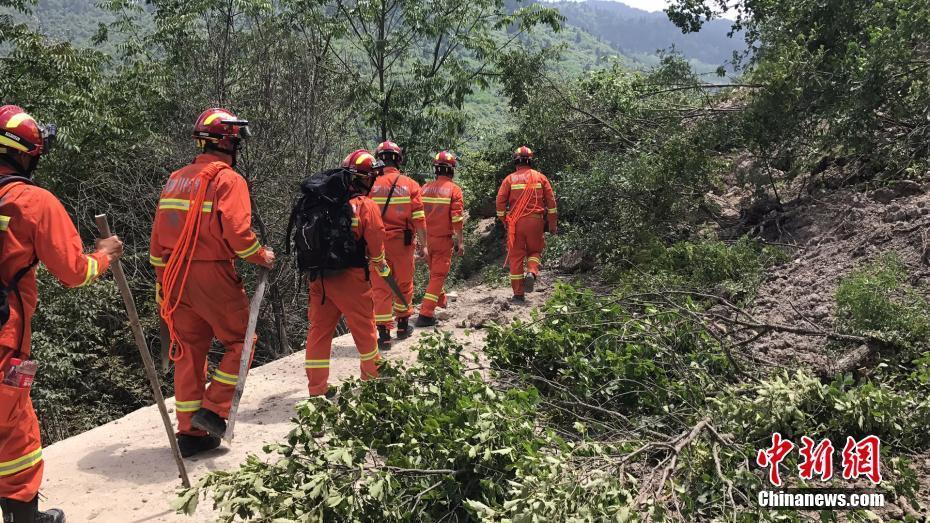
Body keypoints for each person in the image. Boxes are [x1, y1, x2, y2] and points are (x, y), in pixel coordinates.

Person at [0, 105, 123, 523]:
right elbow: (74, 271)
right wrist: (103, 256)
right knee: (16, 434)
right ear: (27, 154)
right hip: (4, 339)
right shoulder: (31, 202)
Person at [149, 108, 274, 457]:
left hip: (174, 275)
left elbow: (158, 236)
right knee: (241, 341)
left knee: (188, 352)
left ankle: (190, 434)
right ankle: (213, 411)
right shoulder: (227, 180)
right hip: (211, 273)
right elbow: (238, 234)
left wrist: (163, 282)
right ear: (229, 141)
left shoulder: (176, 178)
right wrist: (260, 256)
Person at [304, 149, 390, 397]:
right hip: (350, 278)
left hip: (319, 277)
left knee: (319, 333)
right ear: (364, 178)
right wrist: (381, 265)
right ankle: (372, 385)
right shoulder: (365, 206)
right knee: (365, 332)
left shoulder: (324, 204)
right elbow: (375, 247)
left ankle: (317, 391)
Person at [369, 141, 426, 350]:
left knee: (381, 287)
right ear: (398, 159)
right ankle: (402, 326)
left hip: (377, 245)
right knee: (403, 283)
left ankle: (384, 335)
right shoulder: (410, 184)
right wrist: (424, 245)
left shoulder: (370, 184)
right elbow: (419, 218)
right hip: (403, 244)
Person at [496, 146, 557, 302]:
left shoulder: (509, 179)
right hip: (536, 222)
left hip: (515, 224)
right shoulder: (541, 178)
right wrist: (552, 225)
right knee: (535, 251)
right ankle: (531, 271)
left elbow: (500, 203)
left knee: (516, 257)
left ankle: (518, 294)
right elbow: (551, 204)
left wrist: (504, 220)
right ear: (530, 161)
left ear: (516, 162)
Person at [415, 151, 465, 327]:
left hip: (425, 240)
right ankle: (426, 314)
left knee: (435, 274)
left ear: (436, 169)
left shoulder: (424, 188)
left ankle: (441, 300)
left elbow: (416, 215)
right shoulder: (454, 190)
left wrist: (418, 241)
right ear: (451, 170)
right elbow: (457, 219)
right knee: (438, 275)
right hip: (442, 240)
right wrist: (460, 241)